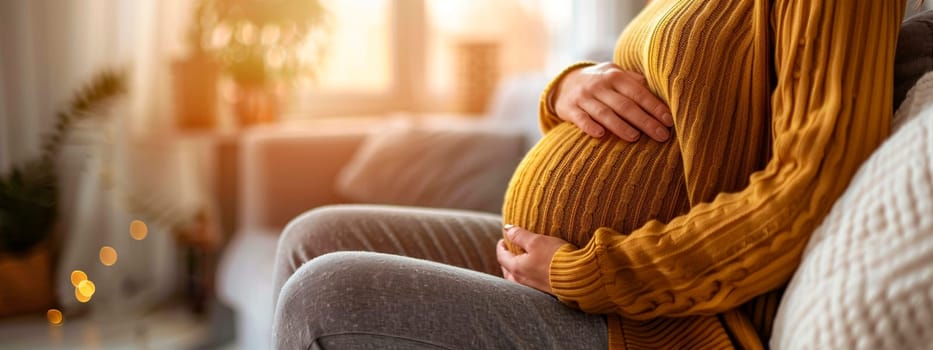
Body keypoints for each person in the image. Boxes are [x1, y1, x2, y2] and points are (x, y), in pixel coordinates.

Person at [272, 0, 908, 348]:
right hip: (561, 263)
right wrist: (570, 88)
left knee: (326, 294)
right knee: (312, 234)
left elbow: (806, 190)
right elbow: (660, 94)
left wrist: (596, 272)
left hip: (654, 314)